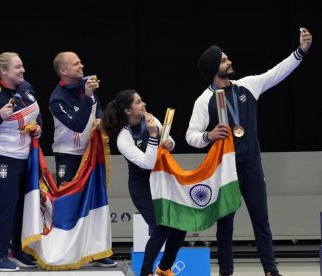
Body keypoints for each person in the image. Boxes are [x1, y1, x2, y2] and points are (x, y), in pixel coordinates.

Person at [186, 28, 313, 276]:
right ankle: (226, 272)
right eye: (223, 59)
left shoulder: (247, 87)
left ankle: (271, 270)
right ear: (214, 68)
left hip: (253, 167)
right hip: (226, 171)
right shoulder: (204, 101)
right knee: (225, 227)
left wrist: (301, 51)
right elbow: (191, 136)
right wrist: (208, 136)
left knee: (261, 221)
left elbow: (277, 72)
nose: (229, 60)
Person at [102, 89, 186, 276]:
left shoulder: (151, 120)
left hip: (162, 180)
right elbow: (147, 163)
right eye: (138, 102)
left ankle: (164, 268)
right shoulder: (123, 139)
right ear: (128, 110)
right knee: (161, 227)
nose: (144, 104)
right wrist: (154, 136)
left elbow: (170, 140)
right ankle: (145, 272)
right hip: (142, 186)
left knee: (181, 224)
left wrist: (168, 143)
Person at [49, 51, 117, 267]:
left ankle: (98, 252)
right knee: (68, 203)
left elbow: (98, 111)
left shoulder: (87, 85)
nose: (82, 65)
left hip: (91, 154)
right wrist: (87, 97)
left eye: (80, 61)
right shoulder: (56, 98)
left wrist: (99, 120)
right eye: (76, 63)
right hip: (68, 156)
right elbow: (77, 124)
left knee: (96, 202)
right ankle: (64, 252)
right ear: (64, 70)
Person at [0, 52, 41, 272]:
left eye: (22, 66)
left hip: (25, 156)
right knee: (7, 206)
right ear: (4, 71)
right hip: (2, 157)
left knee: (22, 206)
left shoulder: (26, 88)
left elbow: (35, 114)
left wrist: (38, 127)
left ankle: (18, 251)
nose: (22, 70)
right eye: (17, 67)